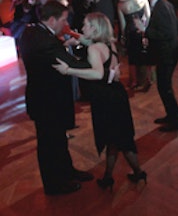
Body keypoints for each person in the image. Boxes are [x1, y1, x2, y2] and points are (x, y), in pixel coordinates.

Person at [53, 12, 146, 190]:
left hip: (106, 99)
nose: (82, 28)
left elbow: (97, 73)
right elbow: (87, 40)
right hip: (117, 95)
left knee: (119, 140)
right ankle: (111, 176)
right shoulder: (108, 43)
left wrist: (68, 70)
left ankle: (136, 173)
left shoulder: (94, 49)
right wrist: (75, 38)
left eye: (85, 25)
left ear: (94, 28)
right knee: (117, 139)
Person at [19, 1, 94, 196]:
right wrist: (94, 53)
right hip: (48, 102)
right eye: (63, 19)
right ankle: (54, 185)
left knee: (58, 140)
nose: (66, 23)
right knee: (49, 144)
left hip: (43, 98)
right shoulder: (46, 42)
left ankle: (67, 172)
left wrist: (64, 44)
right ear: (52, 20)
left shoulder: (32, 32)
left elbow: (50, 51)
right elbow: (71, 63)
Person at [134, 0, 178, 132]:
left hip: (167, 54)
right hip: (168, 52)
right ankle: (171, 116)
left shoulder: (161, 7)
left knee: (165, 87)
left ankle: (177, 121)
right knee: (164, 87)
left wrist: (144, 30)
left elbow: (167, 32)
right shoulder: (164, 4)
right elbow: (176, 27)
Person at [117, 0, 151, 90]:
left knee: (132, 57)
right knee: (145, 55)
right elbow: (149, 17)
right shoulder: (142, 0)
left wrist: (123, 36)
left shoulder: (121, 3)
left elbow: (123, 23)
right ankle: (147, 80)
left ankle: (134, 81)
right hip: (141, 29)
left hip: (130, 31)